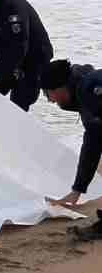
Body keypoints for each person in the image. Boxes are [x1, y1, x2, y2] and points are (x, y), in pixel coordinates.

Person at [41, 60, 102, 209]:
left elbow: (93, 142)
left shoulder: (90, 92)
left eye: (48, 94)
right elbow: (92, 144)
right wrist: (77, 189)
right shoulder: (83, 88)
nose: (51, 100)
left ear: (60, 89)